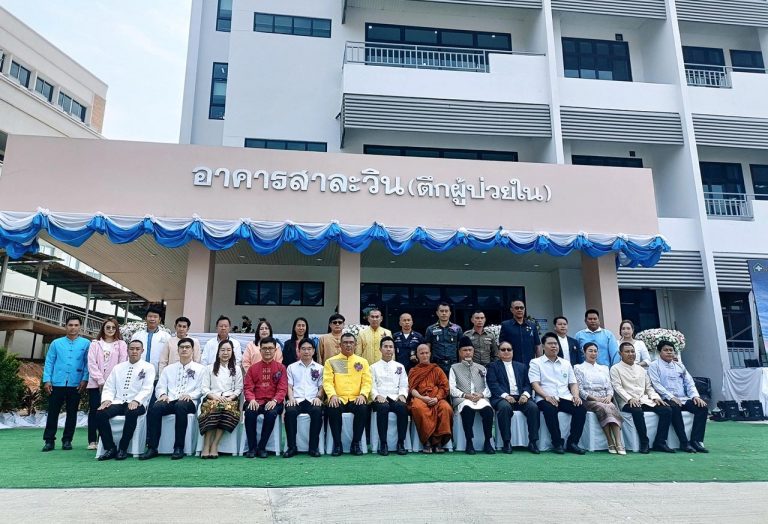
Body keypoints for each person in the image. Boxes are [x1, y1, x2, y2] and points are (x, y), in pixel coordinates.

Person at [140, 338, 205, 460]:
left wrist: (190, 395)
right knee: (156, 407)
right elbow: (160, 386)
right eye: (182, 347)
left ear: (192, 350)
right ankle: (152, 447)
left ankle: (179, 447)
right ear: (178, 350)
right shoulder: (169, 369)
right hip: (170, 400)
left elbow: (202, 388)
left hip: (189, 401)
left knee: (181, 405)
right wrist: (163, 395)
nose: (184, 349)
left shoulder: (201, 369)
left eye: (187, 347)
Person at [95, 340, 156, 460]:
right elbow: (109, 386)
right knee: (100, 413)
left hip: (137, 403)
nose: (134, 351)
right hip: (118, 402)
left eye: (137, 349)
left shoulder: (148, 367)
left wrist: (137, 400)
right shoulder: (118, 367)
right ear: (127, 350)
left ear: (142, 351)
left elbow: (147, 388)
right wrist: (107, 400)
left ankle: (123, 448)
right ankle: (110, 448)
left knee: (131, 412)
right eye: (132, 349)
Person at [610, 342, 674, 454]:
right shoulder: (615, 368)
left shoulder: (641, 369)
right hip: (626, 402)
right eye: (627, 352)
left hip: (644, 400)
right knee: (637, 410)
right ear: (620, 354)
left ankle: (660, 442)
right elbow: (617, 387)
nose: (631, 354)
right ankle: (644, 442)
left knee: (666, 410)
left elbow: (648, 387)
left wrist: (655, 397)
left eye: (632, 351)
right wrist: (629, 399)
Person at [529, 332, 587, 455]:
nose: (554, 346)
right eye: (550, 344)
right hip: (545, 397)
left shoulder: (566, 363)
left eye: (555, 344)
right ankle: (557, 443)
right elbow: (535, 384)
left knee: (580, 409)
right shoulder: (535, 362)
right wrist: (546, 396)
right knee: (550, 409)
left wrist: (576, 396)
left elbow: (573, 383)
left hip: (565, 396)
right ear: (543, 346)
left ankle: (572, 443)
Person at [648, 341, 709, 453]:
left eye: (671, 350)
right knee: (674, 407)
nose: (669, 352)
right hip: (665, 399)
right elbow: (656, 384)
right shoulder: (654, 365)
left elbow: (689, 383)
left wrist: (695, 396)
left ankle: (696, 441)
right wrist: (670, 397)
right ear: (659, 352)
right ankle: (684, 442)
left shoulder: (679, 366)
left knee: (702, 408)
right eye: (666, 350)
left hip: (683, 399)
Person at [42, 316, 91, 452]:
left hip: (76, 383)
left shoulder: (86, 344)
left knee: (72, 413)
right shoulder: (56, 343)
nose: (73, 328)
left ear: (80, 327)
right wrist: (47, 380)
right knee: (53, 412)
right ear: (65, 326)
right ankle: (49, 440)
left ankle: (67, 440)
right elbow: (49, 362)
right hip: (57, 383)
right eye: (70, 325)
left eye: (76, 325)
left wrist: (85, 379)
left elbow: (88, 363)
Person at [486, 341, 540, 454]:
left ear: (512, 352)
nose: (506, 352)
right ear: (498, 352)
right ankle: (506, 442)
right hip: (502, 397)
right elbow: (493, 384)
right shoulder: (493, 366)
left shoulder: (521, 366)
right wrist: (506, 396)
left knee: (533, 408)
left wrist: (525, 395)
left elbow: (527, 384)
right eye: (503, 350)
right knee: (505, 408)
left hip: (520, 397)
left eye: (509, 349)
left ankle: (533, 442)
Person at [323, 333, 371, 456]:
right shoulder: (332, 361)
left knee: (363, 408)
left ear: (355, 345)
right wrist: (332, 395)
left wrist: (363, 395)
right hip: (339, 398)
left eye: (351, 342)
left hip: (356, 398)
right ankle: (337, 444)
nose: (348, 345)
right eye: (345, 342)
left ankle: (356, 443)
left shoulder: (362, 362)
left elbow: (367, 382)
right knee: (333, 408)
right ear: (340, 345)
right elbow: (327, 382)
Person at [574, 342, 625, 455]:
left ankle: (618, 442)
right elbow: (580, 389)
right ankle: (610, 440)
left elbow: (610, 387)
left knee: (611, 406)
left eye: (595, 351)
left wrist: (609, 397)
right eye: (590, 351)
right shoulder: (578, 368)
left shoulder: (604, 368)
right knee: (604, 407)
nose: (593, 353)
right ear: (584, 352)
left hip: (605, 398)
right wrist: (595, 399)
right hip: (589, 400)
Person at [86, 317, 128, 450]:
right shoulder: (95, 344)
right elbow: (91, 363)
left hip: (113, 385)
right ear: (103, 328)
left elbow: (122, 364)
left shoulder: (121, 344)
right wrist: (100, 380)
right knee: (94, 410)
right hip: (95, 384)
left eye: (113, 327)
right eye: (108, 327)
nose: (110, 330)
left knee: (106, 411)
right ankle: (92, 440)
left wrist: (109, 383)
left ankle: (103, 439)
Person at [449, 337, 495, 455]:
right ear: (460, 352)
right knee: (467, 409)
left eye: (470, 350)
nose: (468, 353)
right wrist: (465, 395)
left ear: (473, 351)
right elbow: (452, 388)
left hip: (480, 398)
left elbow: (488, 387)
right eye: (465, 350)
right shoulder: (454, 368)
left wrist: (481, 395)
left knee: (488, 410)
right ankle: (469, 442)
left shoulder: (481, 368)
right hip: (463, 398)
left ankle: (488, 442)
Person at [243, 336, 287, 458]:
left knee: (271, 413)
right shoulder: (253, 368)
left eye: (270, 348)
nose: (267, 351)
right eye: (264, 348)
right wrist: (251, 399)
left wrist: (275, 400)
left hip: (273, 402)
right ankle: (252, 448)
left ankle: (262, 447)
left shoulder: (281, 368)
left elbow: (282, 389)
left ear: (275, 350)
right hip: (256, 401)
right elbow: (248, 388)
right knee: (250, 413)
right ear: (260, 350)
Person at [199, 339, 243, 459]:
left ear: (232, 352)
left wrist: (230, 398)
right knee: (213, 408)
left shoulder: (236, 369)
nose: (225, 353)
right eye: (223, 350)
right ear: (218, 352)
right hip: (212, 397)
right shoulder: (209, 368)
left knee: (226, 409)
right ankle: (206, 444)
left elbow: (238, 388)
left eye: (228, 350)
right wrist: (216, 397)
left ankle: (215, 444)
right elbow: (204, 388)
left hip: (230, 399)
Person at [284, 338, 324, 458]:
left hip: (313, 399)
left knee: (317, 412)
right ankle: (292, 447)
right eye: (303, 349)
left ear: (313, 351)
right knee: (290, 412)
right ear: (298, 350)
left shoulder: (320, 368)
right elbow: (289, 386)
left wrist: (318, 397)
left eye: (309, 349)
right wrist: (291, 398)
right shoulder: (291, 367)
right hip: (297, 400)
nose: (306, 351)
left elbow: (321, 387)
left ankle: (313, 448)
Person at [408, 344, 453, 453]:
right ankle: (427, 440)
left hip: (437, 398)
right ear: (417, 355)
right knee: (417, 407)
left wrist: (437, 398)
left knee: (446, 408)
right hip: (420, 398)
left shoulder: (437, 369)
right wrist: (423, 398)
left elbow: (445, 387)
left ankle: (438, 441)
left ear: (430, 354)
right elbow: (412, 389)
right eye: (422, 353)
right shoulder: (413, 371)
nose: (424, 355)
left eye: (426, 353)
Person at [370, 336, 409, 456]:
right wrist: (377, 395)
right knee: (383, 408)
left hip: (395, 397)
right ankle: (383, 443)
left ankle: (401, 443)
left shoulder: (399, 366)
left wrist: (402, 395)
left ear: (394, 349)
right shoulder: (373, 367)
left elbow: (404, 384)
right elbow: (371, 385)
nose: (388, 349)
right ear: (380, 349)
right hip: (380, 398)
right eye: (385, 347)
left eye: (391, 347)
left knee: (403, 408)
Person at [424, 302, 463, 376]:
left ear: (450, 313)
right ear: (437, 313)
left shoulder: (457, 328)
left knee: (452, 383)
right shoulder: (430, 329)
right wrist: (427, 364)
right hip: (436, 364)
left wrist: (461, 364)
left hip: (453, 364)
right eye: (441, 311)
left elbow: (460, 348)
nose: (444, 313)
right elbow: (427, 347)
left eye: (446, 311)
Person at [131, 306, 171, 377]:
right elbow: (131, 353)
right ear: (145, 318)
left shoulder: (166, 336)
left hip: (158, 375)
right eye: (150, 316)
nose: (152, 319)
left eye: (155, 317)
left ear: (159, 319)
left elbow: (169, 356)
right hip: (137, 373)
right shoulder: (137, 335)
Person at [499, 300, 541, 366]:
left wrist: (539, 363)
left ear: (524, 309)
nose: (519, 310)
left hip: (530, 364)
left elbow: (537, 345)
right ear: (511, 310)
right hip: (512, 364)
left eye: (521, 308)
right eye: (516, 308)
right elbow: (502, 346)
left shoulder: (532, 325)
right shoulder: (506, 325)